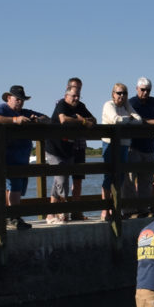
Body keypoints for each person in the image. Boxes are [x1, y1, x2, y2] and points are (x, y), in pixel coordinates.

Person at [0, 85, 50, 230]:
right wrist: (15, 120)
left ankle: (9, 215)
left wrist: (37, 120)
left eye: (22, 100)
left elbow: (48, 119)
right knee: (13, 185)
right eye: (17, 99)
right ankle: (13, 216)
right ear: (9, 98)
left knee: (17, 187)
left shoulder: (26, 112)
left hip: (21, 156)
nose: (20, 102)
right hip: (4, 155)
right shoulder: (1, 108)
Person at [46, 81, 96, 223]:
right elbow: (63, 120)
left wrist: (85, 122)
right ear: (66, 95)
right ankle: (62, 213)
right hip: (54, 148)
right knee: (62, 179)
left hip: (69, 149)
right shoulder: (61, 104)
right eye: (73, 96)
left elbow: (94, 121)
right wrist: (79, 120)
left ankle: (51, 214)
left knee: (59, 181)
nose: (76, 99)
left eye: (78, 96)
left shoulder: (81, 106)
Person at [101, 82, 142, 217]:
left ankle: (115, 208)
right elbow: (115, 120)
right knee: (108, 176)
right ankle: (105, 210)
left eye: (124, 93)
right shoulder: (109, 105)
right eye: (119, 93)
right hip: (109, 144)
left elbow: (139, 121)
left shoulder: (127, 106)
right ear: (113, 94)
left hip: (124, 144)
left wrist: (128, 113)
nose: (122, 96)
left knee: (120, 177)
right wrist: (129, 119)